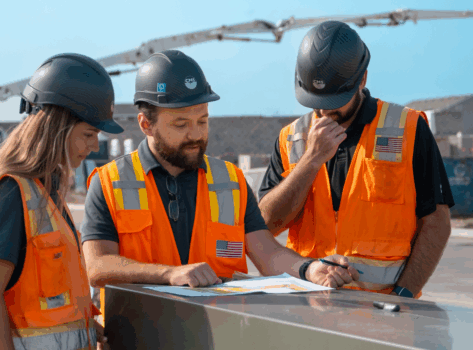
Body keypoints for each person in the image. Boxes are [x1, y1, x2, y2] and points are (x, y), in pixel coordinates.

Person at [81, 50, 360, 320]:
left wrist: (309, 269)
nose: (195, 135)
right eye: (180, 125)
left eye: (202, 121)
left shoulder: (230, 180)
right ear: (146, 124)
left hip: (217, 334)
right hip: (137, 335)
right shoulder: (110, 182)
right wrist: (169, 274)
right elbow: (98, 267)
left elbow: (268, 253)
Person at [258, 21, 454, 298]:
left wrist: (404, 296)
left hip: (384, 310)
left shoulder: (407, 128)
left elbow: (436, 221)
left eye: (334, 100)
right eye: (316, 100)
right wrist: (310, 161)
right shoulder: (291, 138)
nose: (324, 111)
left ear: (362, 80)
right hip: (306, 304)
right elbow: (267, 224)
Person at [0, 53, 124, 350]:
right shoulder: (10, 192)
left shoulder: (46, 193)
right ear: (58, 128)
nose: (94, 146)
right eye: (88, 134)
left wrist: (85, 328)